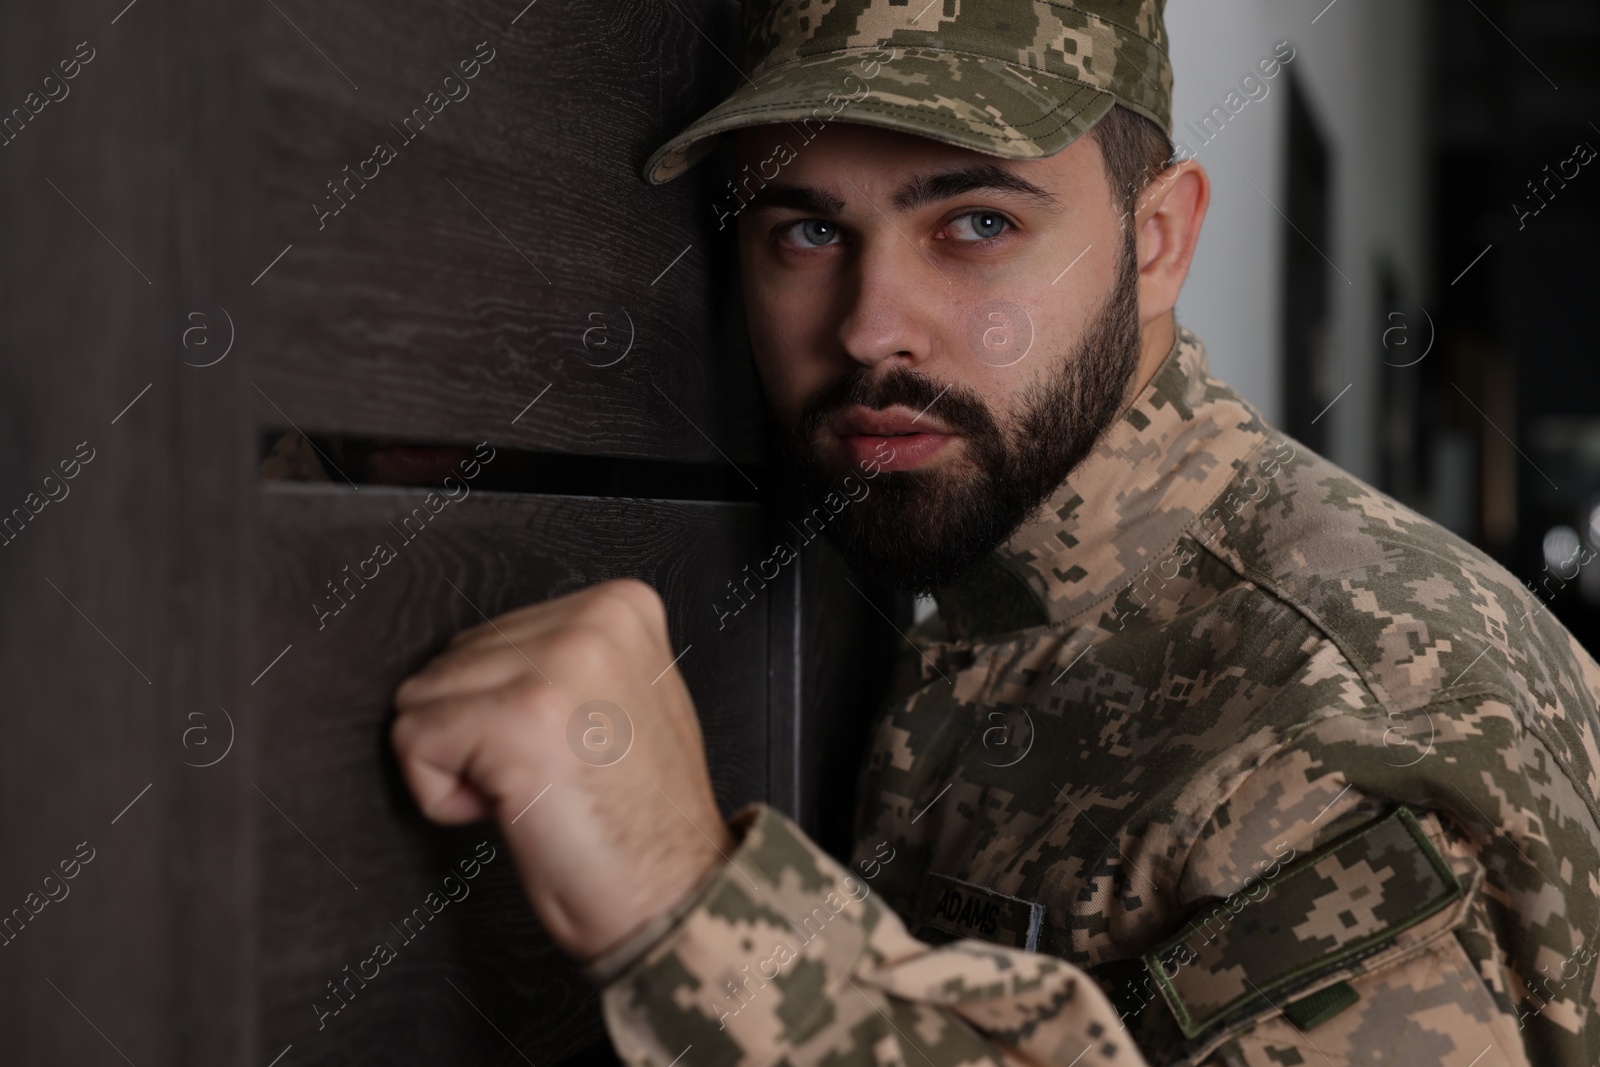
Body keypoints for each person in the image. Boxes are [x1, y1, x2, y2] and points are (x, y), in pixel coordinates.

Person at [387, 1, 1600, 1063]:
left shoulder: (1346, 724)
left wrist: (684, 902)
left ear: (1158, 238)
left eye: (974, 223)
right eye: (807, 231)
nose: (870, 330)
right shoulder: (989, 576)